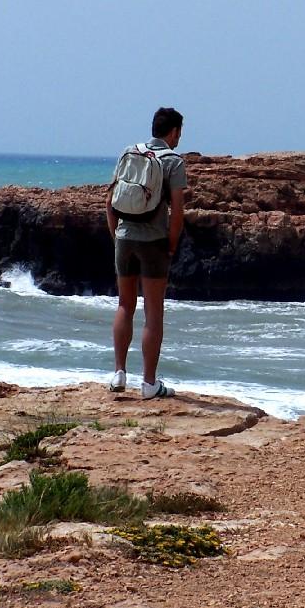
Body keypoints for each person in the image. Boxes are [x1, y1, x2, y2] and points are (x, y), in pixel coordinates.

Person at [106, 107, 187, 399]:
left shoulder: (130, 152)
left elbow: (110, 199)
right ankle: (149, 384)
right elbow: (177, 211)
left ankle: (118, 373)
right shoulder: (173, 162)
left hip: (125, 237)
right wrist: (172, 243)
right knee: (153, 313)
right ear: (174, 131)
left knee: (124, 304)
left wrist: (116, 235)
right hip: (154, 241)